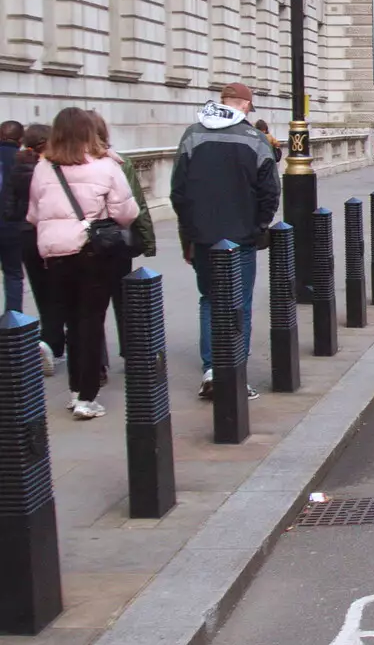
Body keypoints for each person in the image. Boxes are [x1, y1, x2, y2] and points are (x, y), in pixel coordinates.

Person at [171, 82, 280, 400]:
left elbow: (178, 191)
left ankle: (211, 370)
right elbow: (270, 192)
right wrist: (258, 225)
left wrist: (189, 232)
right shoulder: (255, 139)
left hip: (202, 236)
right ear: (245, 106)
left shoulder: (192, 134)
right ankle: (232, 374)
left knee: (209, 299)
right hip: (240, 236)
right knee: (238, 304)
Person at [28, 107, 139, 419]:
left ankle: (76, 389)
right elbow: (127, 213)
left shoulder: (43, 168)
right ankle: (85, 397)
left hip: (55, 253)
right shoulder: (105, 165)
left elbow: (34, 213)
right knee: (89, 322)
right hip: (92, 252)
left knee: (70, 320)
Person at [93, 113, 157, 363]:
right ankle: (131, 351)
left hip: (78, 243)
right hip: (114, 239)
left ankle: (96, 363)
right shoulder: (118, 163)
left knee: (89, 306)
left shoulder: (59, 165)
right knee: (122, 297)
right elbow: (134, 205)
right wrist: (147, 239)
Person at [2, 124, 58, 373]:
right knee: (56, 292)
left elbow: (10, 205)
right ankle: (51, 342)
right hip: (46, 232)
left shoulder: (18, 165)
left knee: (37, 287)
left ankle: (29, 335)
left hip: (21, 230)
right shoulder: (48, 166)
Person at [0, 120, 24, 313]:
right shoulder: (22, 160)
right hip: (13, 225)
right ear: (21, 139)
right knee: (13, 274)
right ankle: (13, 321)